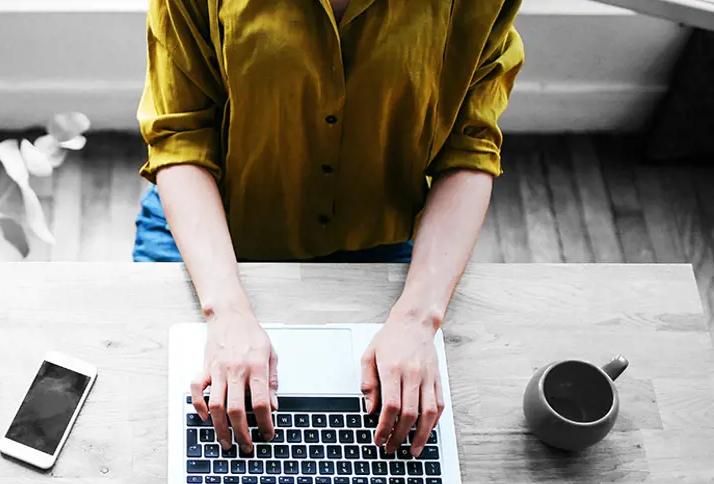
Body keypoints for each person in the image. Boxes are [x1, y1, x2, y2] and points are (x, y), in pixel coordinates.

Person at [134, 0, 524, 458]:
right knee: (155, 430)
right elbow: (181, 136)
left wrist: (419, 318)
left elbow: (470, 144)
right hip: (212, 227)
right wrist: (227, 313)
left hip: (379, 239)